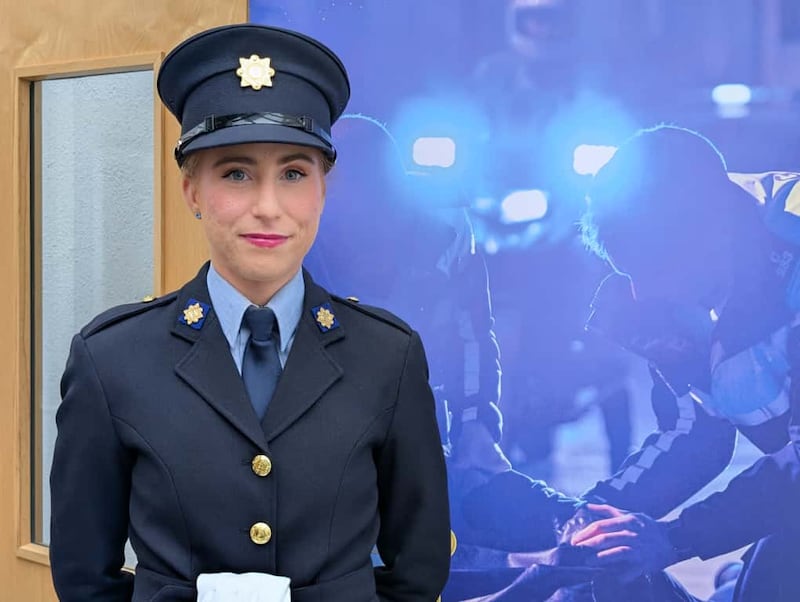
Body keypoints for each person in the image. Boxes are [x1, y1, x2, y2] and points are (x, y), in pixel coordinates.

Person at [48, 23, 450, 602]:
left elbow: (419, 570)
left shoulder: (387, 355)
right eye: (236, 173)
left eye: (293, 174)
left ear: (322, 190)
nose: (268, 207)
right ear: (191, 190)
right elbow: (86, 578)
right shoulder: (112, 358)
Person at [572, 125, 800, 600]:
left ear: (714, 232)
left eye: (654, 268)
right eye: (629, 272)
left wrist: (677, 538)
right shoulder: (695, 238)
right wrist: (578, 522)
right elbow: (696, 436)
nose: (643, 292)